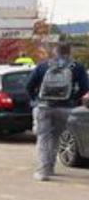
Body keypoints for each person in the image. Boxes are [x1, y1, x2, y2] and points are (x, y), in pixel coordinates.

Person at [26, 43, 89, 181]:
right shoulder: (77, 67)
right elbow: (85, 88)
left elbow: (29, 85)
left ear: (55, 52)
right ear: (70, 51)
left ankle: (43, 171)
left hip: (43, 107)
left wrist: (35, 101)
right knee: (55, 137)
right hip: (65, 108)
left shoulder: (43, 66)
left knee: (43, 138)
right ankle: (50, 167)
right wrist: (73, 99)